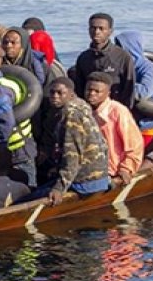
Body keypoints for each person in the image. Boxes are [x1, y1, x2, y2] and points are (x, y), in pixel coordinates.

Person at [31, 77, 111, 206]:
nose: (55, 97)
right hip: (99, 176)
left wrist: (59, 188)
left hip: (86, 181)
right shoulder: (81, 106)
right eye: (52, 93)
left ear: (71, 94)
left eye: (60, 93)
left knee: (29, 198)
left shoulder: (71, 116)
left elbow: (72, 156)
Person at [0, 44, 38, 186]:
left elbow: (5, 122)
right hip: (21, 147)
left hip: (15, 152)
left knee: (24, 189)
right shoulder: (4, 81)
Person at [83, 72, 144, 184]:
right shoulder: (83, 111)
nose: (92, 94)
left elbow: (135, 145)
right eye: (89, 90)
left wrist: (126, 169)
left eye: (97, 91)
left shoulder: (118, 111)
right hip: (90, 169)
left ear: (108, 93)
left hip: (113, 169)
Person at [72, 13, 136, 109]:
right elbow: (80, 88)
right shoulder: (83, 57)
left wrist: (125, 111)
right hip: (90, 109)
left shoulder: (122, 57)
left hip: (114, 109)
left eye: (101, 28)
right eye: (93, 28)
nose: (97, 32)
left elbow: (129, 89)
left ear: (110, 31)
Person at [114, 31, 153, 104]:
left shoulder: (149, 68)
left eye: (120, 46)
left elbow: (144, 92)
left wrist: (118, 85)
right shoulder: (123, 66)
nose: (116, 50)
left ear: (130, 48)